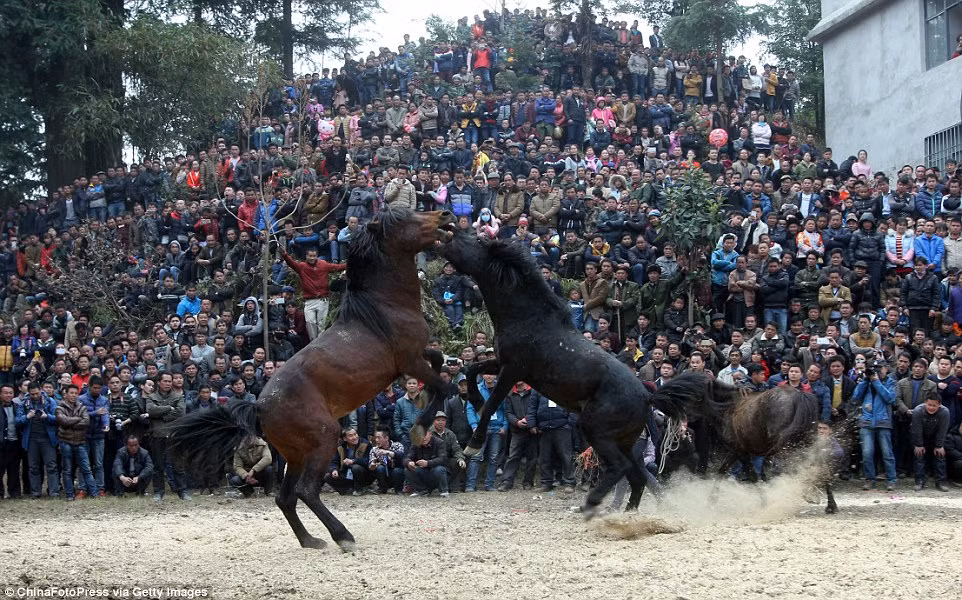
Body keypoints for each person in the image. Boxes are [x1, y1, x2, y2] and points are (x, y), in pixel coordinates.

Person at [280, 246, 346, 340]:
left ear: (317, 256)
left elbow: (338, 267)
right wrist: (285, 255)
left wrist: (351, 264)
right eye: (310, 256)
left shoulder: (323, 264)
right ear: (306, 256)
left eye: (314, 256)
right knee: (310, 322)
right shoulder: (302, 266)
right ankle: (313, 342)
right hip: (309, 301)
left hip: (322, 299)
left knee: (321, 325)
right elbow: (292, 264)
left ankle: (319, 343)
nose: (312, 258)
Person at [852, 360, 897, 491]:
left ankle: (891, 480)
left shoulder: (891, 382)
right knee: (867, 453)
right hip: (866, 421)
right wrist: (865, 380)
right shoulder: (865, 382)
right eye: (873, 368)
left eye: (879, 368)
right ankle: (869, 479)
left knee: (887, 453)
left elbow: (890, 398)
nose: (876, 371)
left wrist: (876, 382)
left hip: (883, 421)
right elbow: (856, 397)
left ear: (886, 368)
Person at [146, 371, 189, 501]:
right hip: (157, 435)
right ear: (158, 382)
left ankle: (182, 492)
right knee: (158, 466)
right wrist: (170, 408)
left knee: (178, 465)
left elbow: (181, 412)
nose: (167, 383)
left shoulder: (178, 396)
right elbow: (150, 410)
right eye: (165, 381)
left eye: (169, 381)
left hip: (174, 434)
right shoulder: (151, 397)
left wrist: (162, 415)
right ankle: (158, 492)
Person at [15, 381, 59, 499]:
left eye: (36, 393)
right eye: (32, 394)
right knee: (33, 467)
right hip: (31, 439)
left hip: (47, 438)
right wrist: (27, 417)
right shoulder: (24, 403)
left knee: (51, 466)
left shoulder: (50, 401)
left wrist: (47, 417)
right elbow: (17, 421)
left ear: (41, 390)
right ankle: (35, 492)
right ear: (28, 393)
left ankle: (54, 492)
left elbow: (58, 418)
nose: (35, 396)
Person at [527, 389, 576, 493]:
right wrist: (532, 424)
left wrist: (570, 422)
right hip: (544, 428)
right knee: (545, 458)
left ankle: (569, 483)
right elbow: (532, 407)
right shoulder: (537, 387)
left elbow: (574, 404)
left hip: (563, 426)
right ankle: (546, 483)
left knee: (566, 456)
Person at [465, 372, 506, 492]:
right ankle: (470, 485)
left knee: (494, 458)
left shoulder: (501, 388)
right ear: (482, 376)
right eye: (487, 374)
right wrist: (473, 425)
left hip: (496, 427)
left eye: (492, 374)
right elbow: (470, 409)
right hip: (480, 427)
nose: (489, 376)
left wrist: (505, 425)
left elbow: (505, 409)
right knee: (476, 457)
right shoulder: (476, 389)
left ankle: (489, 484)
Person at [55, 384, 97, 501]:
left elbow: (86, 422)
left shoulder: (82, 407)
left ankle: (94, 493)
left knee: (86, 469)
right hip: (65, 442)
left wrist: (70, 423)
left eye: (75, 393)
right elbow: (62, 421)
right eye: (71, 393)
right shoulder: (60, 407)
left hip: (80, 442)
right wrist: (78, 419)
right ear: (66, 394)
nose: (73, 395)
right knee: (67, 470)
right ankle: (69, 494)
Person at [499, 381, 538, 491]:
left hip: (532, 429)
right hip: (517, 430)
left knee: (532, 457)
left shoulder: (533, 391)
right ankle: (506, 481)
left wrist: (529, 420)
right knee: (513, 456)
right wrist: (516, 422)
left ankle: (528, 482)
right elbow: (508, 412)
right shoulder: (510, 394)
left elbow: (536, 407)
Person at [911, 392, 950, 492]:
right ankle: (919, 481)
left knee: (940, 456)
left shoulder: (945, 412)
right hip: (920, 436)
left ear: (939, 405)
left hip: (936, 436)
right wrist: (919, 444)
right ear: (925, 403)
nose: (931, 408)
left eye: (934, 406)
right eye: (929, 405)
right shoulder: (918, 411)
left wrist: (939, 445)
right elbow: (916, 429)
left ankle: (941, 482)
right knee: (919, 456)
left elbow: (943, 430)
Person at [404, 428, 448, 497]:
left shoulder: (439, 442)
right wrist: (409, 462)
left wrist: (428, 463)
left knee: (439, 469)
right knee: (408, 469)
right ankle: (421, 490)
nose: (423, 438)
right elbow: (407, 457)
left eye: (425, 435)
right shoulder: (415, 444)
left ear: (430, 434)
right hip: (424, 473)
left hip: (436, 472)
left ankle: (444, 491)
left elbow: (443, 459)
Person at [368, 427, 406, 494]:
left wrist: (387, 452)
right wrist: (373, 465)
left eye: (379, 437)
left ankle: (398, 490)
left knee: (397, 470)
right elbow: (371, 465)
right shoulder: (374, 449)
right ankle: (382, 489)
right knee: (379, 468)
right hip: (383, 475)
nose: (376, 440)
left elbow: (401, 455)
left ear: (386, 438)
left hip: (396, 474)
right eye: (375, 438)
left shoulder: (397, 445)